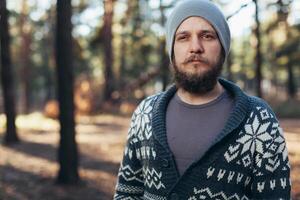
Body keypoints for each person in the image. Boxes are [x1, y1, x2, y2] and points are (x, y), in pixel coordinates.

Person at [114, 0, 291, 199]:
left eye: (207, 36)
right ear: (172, 49)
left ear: (223, 47)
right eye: (183, 37)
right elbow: (127, 192)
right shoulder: (144, 113)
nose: (195, 47)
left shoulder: (259, 121)